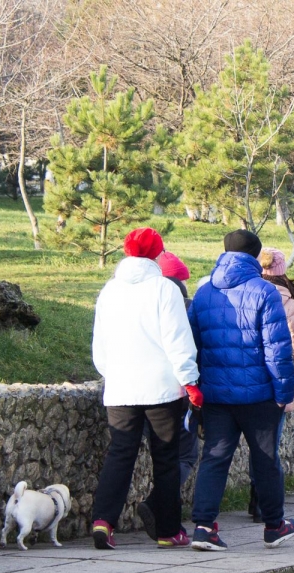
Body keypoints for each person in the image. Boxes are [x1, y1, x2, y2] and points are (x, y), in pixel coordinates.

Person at [188, 229, 294, 551]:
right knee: (265, 460)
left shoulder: (205, 293)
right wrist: (284, 393)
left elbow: (194, 345)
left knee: (214, 458)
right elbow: (276, 350)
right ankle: (274, 525)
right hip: (259, 395)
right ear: (255, 256)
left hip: (216, 395)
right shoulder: (265, 292)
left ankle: (203, 527)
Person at [90, 227, 201, 550]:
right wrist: (189, 381)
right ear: (157, 253)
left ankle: (103, 520)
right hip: (161, 389)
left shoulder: (109, 291)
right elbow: (178, 341)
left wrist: (112, 373)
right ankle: (167, 530)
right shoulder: (164, 289)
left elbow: (101, 345)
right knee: (165, 457)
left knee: (120, 454)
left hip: (121, 386)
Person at [242, 247, 294, 522]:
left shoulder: (245, 290)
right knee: (267, 447)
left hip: (241, 377)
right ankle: (260, 501)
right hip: (274, 381)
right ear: (281, 269)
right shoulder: (287, 298)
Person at [134, 249, 201, 541]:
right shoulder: (182, 305)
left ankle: (157, 509)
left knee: (162, 454)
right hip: (175, 391)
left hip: (133, 389)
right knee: (184, 454)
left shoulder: (132, 301)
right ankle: (156, 505)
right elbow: (187, 349)